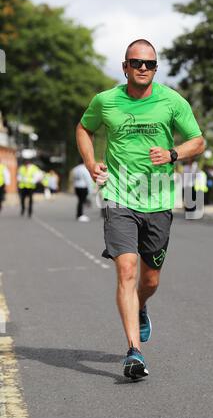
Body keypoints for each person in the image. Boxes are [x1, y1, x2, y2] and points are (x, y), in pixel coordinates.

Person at [76, 39, 205, 379]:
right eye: (136, 62)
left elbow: (198, 139)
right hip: (119, 197)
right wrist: (91, 163)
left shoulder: (171, 100)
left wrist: (173, 153)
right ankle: (134, 351)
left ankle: (142, 305)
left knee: (149, 279)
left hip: (158, 199)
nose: (143, 68)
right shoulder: (106, 101)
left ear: (155, 68)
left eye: (149, 64)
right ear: (125, 67)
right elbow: (83, 128)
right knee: (127, 271)